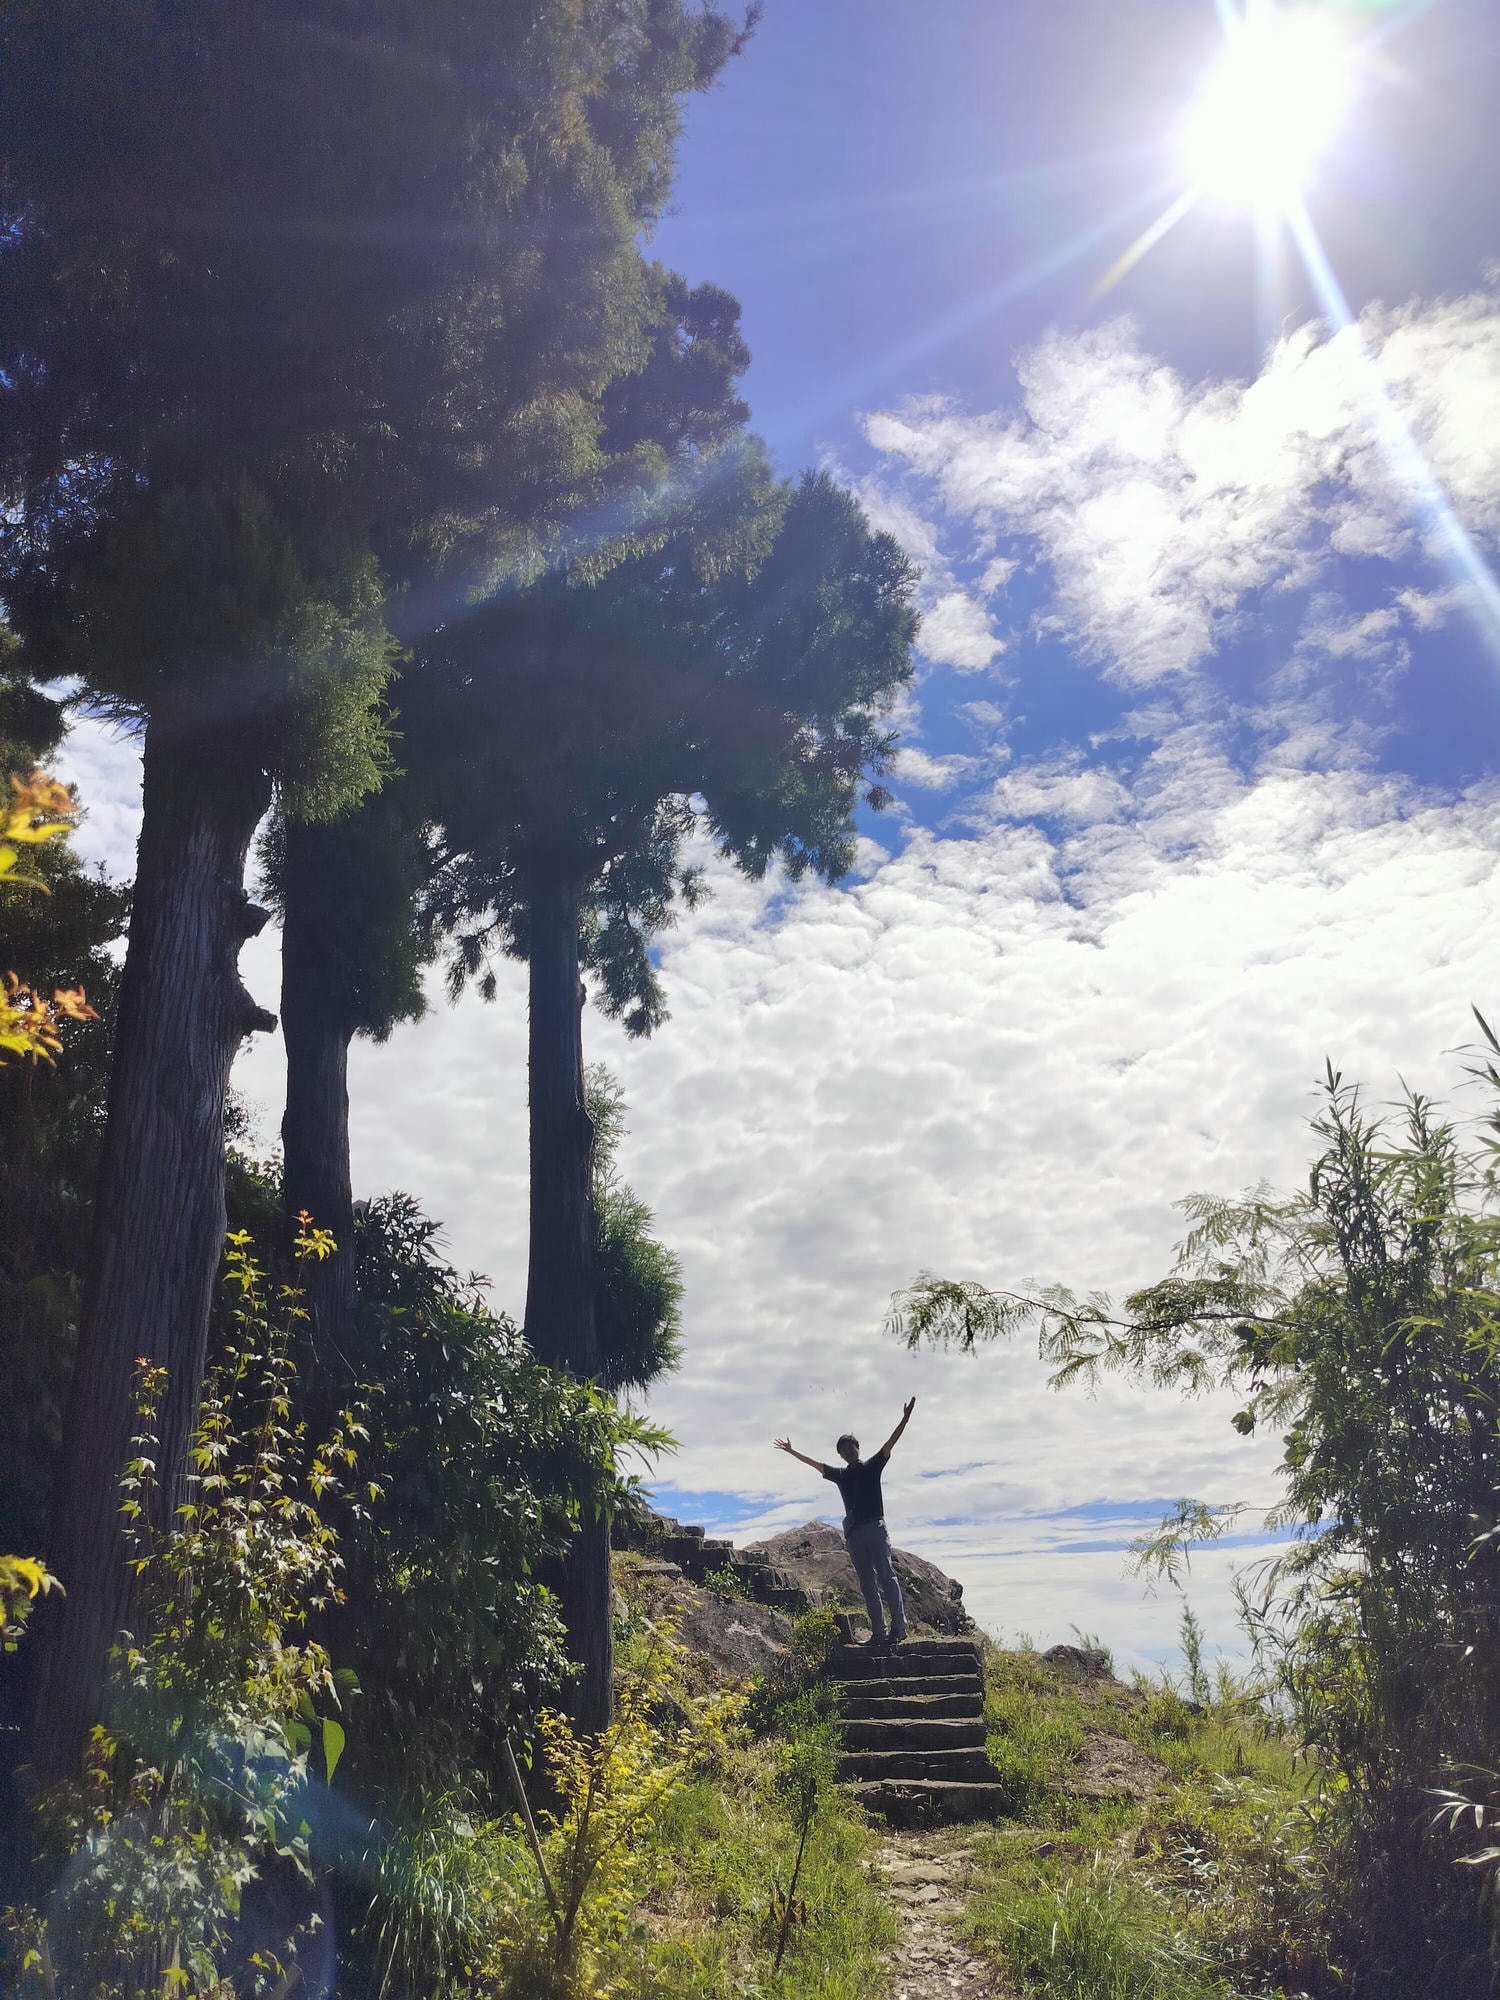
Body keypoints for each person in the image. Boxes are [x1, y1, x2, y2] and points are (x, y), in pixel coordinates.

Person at [774, 1399, 915, 1647]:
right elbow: (814, 1464)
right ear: (840, 1454)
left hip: (875, 1527)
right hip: (855, 1534)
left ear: (858, 1448)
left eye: (851, 1448)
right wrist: (791, 1451)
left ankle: (899, 1629)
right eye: (843, 1450)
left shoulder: (872, 1466)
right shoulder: (841, 1475)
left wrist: (904, 1419)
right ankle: (879, 1634)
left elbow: (890, 1443)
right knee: (867, 1584)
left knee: (887, 1576)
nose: (848, 1452)